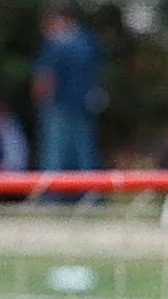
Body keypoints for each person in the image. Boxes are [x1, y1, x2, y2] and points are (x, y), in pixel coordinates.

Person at [32, 7, 103, 175]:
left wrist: (39, 98)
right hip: (84, 105)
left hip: (58, 105)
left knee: (54, 157)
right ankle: (89, 188)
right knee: (85, 155)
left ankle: (52, 190)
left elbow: (45, 78)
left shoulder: (55, 44)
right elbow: (98, 72)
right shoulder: (87, 41)